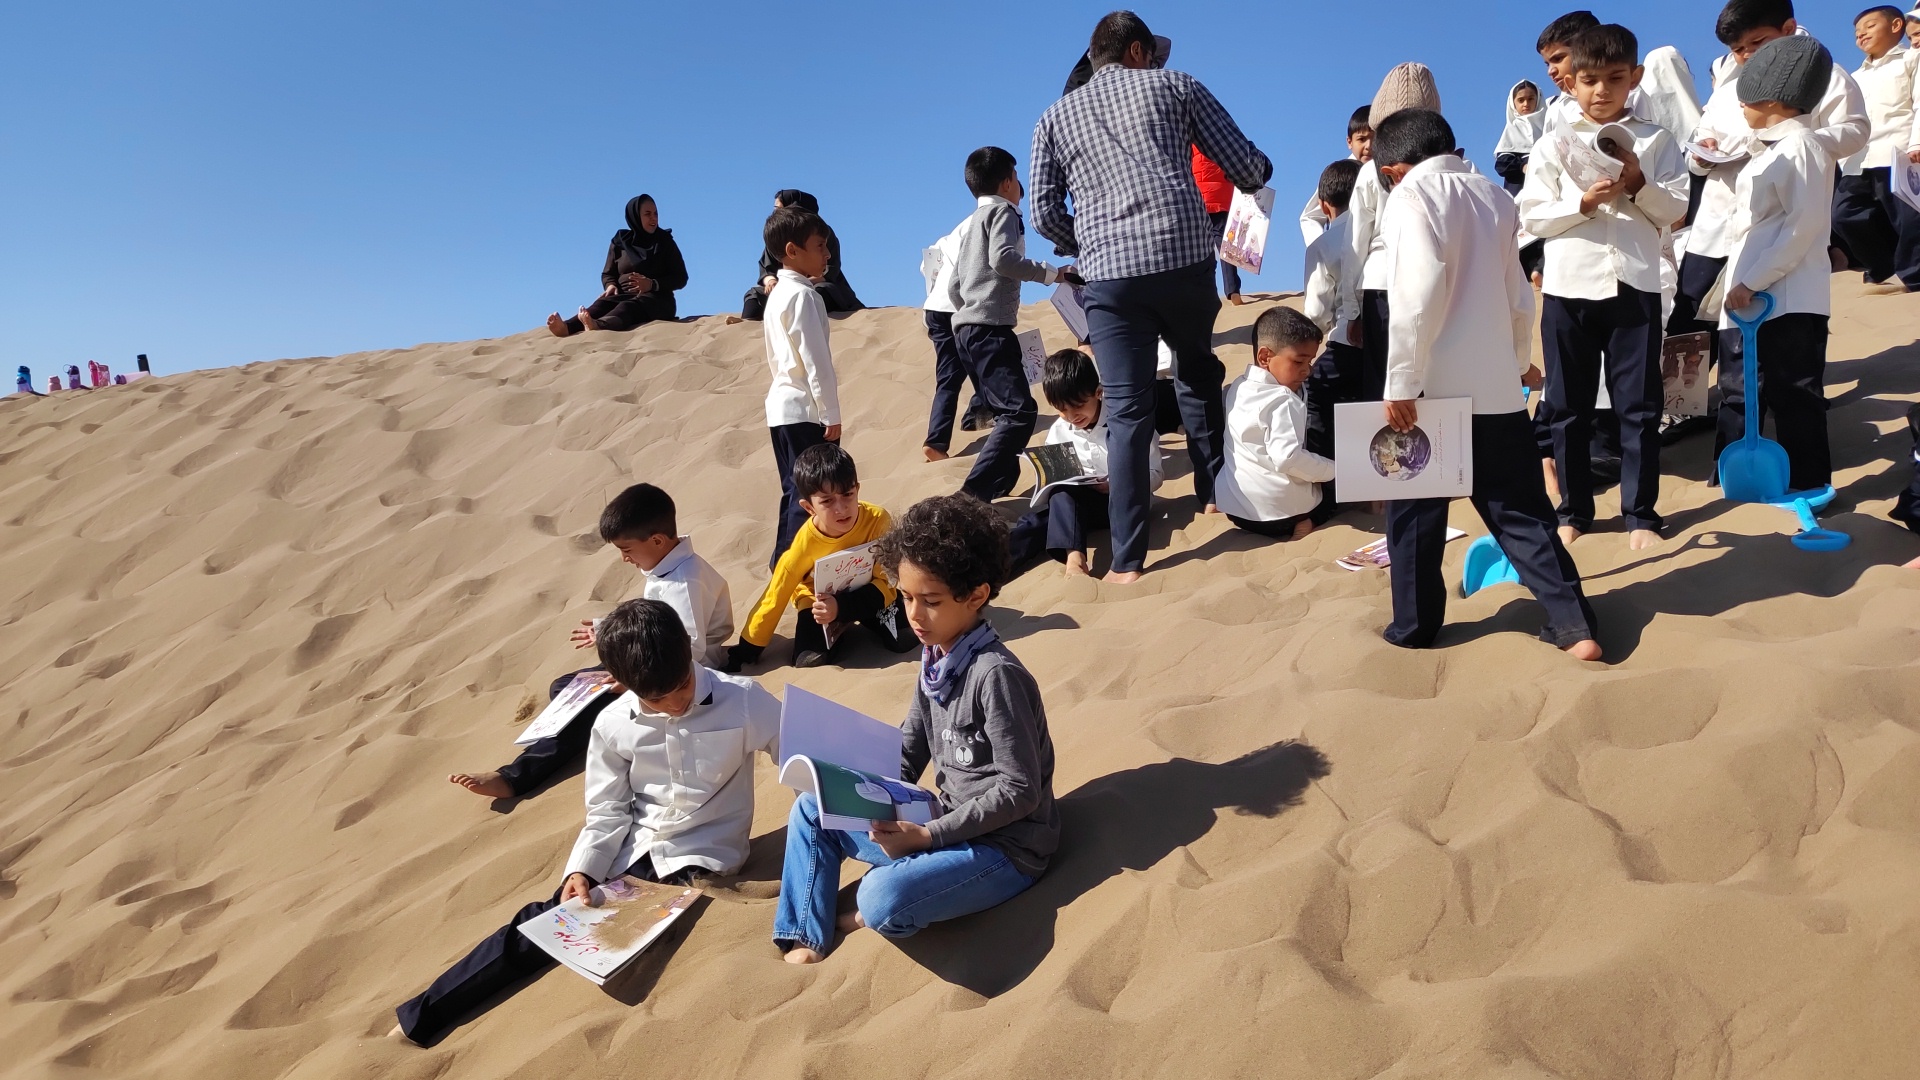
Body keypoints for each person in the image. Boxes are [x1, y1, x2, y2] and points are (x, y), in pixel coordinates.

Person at [394, 599, 780, 1046]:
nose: (676, 703)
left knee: (576, 924)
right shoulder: (612, 724)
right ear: (621, 683)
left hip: (697, 855)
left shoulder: (744, 700)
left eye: (682, 685)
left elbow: (803, 757)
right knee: (547, 916)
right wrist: (581, 870)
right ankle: (423, 1014)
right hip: (632, 847)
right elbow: (607, 810)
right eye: (658, 698)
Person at [1030, 10, 1271, 584]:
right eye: (1153, 55)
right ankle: (1213, 494)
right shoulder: (1178, 86)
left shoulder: (1053, 117)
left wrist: (1088, 240)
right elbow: (1246, 166)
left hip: (1110, 281)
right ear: (1136, 51)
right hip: (1183, 259)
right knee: (1196, 373)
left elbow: (1042, 213)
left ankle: (1128, 559)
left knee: (1127, 409)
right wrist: (1261, 168)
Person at [775, 494, 1058, 964]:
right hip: (939, 819)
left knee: (881, 898)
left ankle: (881, 902)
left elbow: (1020, 790)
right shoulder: (936, 660)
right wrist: (851, 791)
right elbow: (908, 752)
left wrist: (926, 838)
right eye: (906, 597)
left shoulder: (994, 675)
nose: (914, 615)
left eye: (930, 601)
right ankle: (807, 932)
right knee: (811, 808)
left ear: (977, 596)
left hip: (1004, 848)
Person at [1372, 108, 1601, 660]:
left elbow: (1416, 293)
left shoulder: (1410, 197)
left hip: (1431, 391)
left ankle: (1415, 629)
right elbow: (1519, 295)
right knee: (1523, 514)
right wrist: (1517, 361)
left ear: (1393, 171)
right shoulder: (1494, 196)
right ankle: (1575, 626)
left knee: (1415, 517)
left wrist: (1400, 379)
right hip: (1495, 388)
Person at [1517, 24, 1689, 552]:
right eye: (1589, 80)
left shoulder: (1656, 140)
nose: (1601, 91)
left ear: (1634, 77)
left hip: (1634, 283)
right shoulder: (1551, 144)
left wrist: (1638, 185)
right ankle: (1573, 511)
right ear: (1570, 82)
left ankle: (1640, 513)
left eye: (1615, 78)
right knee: (1567, 407)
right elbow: (1532, 215)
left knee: (1639, 405)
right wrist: (1583, 203)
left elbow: (1677, 208)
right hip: (1568, 287)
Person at [448, 483, 733, 801]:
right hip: (651, 655)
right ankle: (587, 728)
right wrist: (609, 630)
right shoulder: (669, 566)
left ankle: (514, 778)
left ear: (656, 540)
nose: (624, 558)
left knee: (586, 708)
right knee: (565, 686)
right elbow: (657, 618)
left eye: (627, 550)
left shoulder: (683, 582)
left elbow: (689, 648)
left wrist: (634, 683)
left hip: (678, 675)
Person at [1678, 0, 1868, 399]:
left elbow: (1855, 130)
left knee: (1790, 315)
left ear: (1788, 28)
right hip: (1718, 221)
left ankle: (1799, 400)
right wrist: (1701, 154)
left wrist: (1794, 142)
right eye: (1738, 49)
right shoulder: (1728, 89)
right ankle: (1681, 405)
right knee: (1689, 316)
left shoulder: (1824, 74)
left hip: (1782, 218)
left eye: (1757, 42)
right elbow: (1698, 143)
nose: (1748, 55)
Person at [1716, 35, 1841, 493]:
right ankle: (1772, 484)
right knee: (1757, 390)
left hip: (1787, 295)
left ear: (1770, 98)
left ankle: (1809, 486)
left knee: (1795, 392)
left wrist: (1752, 280)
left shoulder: (1802, 145)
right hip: (1757, 296)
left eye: (1745, 97)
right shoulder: (1770, 149)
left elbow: (1803, 226)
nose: (1741, 107)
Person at [946, 146, 1075, 502]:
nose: (1020, 185)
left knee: (1005, 412)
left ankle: (1000, 484)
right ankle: (971, 496)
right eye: (1017, 177)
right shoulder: (1004, 212)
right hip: (990, 328)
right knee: (1020, 412)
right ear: (1006, 183)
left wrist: (968, 311)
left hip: (966, 331)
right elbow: (1003, 259)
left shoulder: (972, 222)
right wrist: (1052, 274)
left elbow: (954, 284)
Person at [725, 443, 914, 672]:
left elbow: (887, 580)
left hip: (869, 592)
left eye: (847, 494)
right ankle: (837, 635)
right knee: (809, 661)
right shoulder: (804, 544)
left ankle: (860, 621)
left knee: (904, 639)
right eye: (827, 501)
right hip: (819, 602)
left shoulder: (877, 520)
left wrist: (842, 607)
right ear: (809, 507)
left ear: (857, 489)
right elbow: (775, 595)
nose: (841, 508)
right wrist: (747, 649)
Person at [1340, 63, 1443, 405]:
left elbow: (1355, 244)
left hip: (1381, 285)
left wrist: (1352, 311)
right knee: (1432, 383)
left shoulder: (1371, 172)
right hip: (1437, 282)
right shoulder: (1455, 166)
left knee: (1383, 387)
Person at [1007, 348, 1161, 576]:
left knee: (1051, 513)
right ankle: (988, 570)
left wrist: (1117, 483)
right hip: (1080, 507)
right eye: (1062, 410)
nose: (1072, 416)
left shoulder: (1126, 423)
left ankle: (1075, 559)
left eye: (1078, 405)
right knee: (1039, 520)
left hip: (1126, 505)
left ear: (1098, 392)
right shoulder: (1059, 431)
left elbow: (1156, 474)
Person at [759, 205, 843, 569]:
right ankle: (790, 567)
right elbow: (815, 360)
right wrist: (830, 413)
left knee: (795, 490)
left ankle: (785, 564)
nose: (827, 254)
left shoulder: (778, 294)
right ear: (792, 250)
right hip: (805, 410)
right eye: (820, 246)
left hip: (782, 409)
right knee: (811, 493)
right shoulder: (804, 296)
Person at [1214, 308, 1335, 540]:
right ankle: (1309, 521)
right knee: (1335, 491)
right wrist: (1332, 470)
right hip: (1281, 515)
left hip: (1237, 510)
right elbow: (1287, 457)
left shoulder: (1238, 387)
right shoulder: (1283, 399)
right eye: (1298, 361)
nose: (1307, 370)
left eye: (1310, 361)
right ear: (1265, 357)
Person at [1832, 6, 1920, 292]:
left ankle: (1915, 278)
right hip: (1857, 158)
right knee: (1844, 214)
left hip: (1897, 151)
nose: (1861, 34)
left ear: (1896, 26)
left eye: (1870, 26)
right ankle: (1882, 264)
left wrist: (1917, 141)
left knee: (1908, 218)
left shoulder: (1912, 59)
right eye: (1857, 31)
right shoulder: (1854, 76)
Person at [546, 195, 688, 338]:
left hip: (657, 300)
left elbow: (681, 277)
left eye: (655, 213)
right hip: (622, 295)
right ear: (635, 216)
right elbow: (608, 273)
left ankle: (599, 326)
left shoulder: (664, 242)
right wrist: (610, 285)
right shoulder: (621, 241)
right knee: (601, 304)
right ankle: (567, 328)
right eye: (647, 214)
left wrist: (652, 284)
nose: (653, 218)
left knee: (627, 307)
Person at [1302, 158, 1364, 463]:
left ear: (1324, 206)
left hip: (1346, 345)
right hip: (1391, 341)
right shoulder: (1386, 231)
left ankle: (1327, 478)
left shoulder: (1323, 244)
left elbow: (1316, 313)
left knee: (1313, 394)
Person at [921, 215, 988, 462]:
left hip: (935, 308)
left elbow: (926, 265)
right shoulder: (991, 220)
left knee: (949, 376)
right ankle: (980, 414)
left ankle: (936, 440)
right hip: (962, 305)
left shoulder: (950, 236)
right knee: (986, 360)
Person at [740, 190, 863, 321]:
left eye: (779, 208)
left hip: (820, 285)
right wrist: (771, 282)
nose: (775, 212)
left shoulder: (821, 232)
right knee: (755, 295)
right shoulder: (777, 235)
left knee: (815, 293)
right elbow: (766, 268)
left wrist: (801, 283)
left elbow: (830, 271)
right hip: (783, 286)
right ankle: (747, 324)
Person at [1300, 106, 1374, 245]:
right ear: (1349, 142)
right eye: (1362, 139)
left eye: (1375, 139)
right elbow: (1310, 217)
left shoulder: (1391, 172)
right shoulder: (1341, 173)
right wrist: (1323, 247)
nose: (1369, 146)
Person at [1192, 148, 1244, 304]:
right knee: (1225, 244)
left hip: (1198, 196)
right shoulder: (1221, 139)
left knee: (1201, 247)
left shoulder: (1192, 141)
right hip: (1222, 196)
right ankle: (1233, 289)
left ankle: (1205, 292)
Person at [1494, 80, 1547, 195]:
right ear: (1513, 103)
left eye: (1530, 99)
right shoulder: (1512, 129)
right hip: (1519, 192)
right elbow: (1502, 164)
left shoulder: (1548, 127)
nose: (1526, 104)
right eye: (1521, 100)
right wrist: (1523, 166)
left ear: (1538, 99)